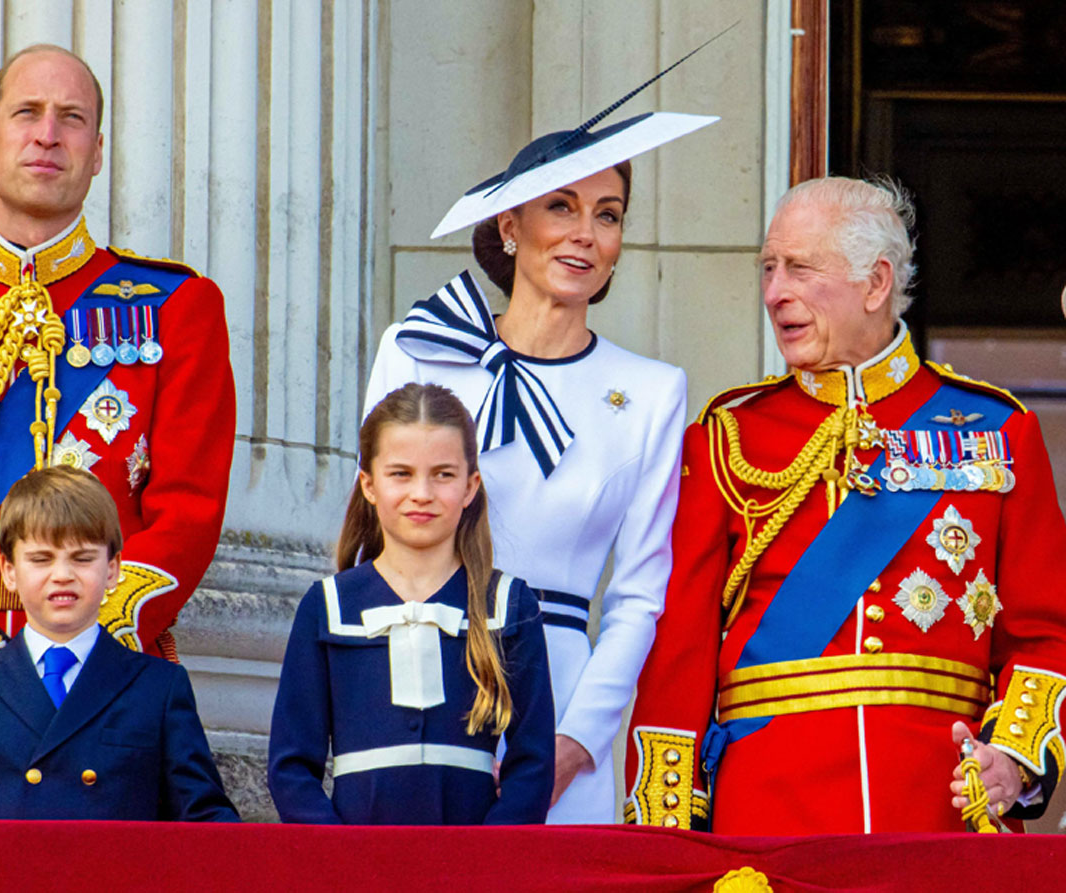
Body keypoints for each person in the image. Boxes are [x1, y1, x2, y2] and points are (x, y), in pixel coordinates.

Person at [626, 176, 1066, 834]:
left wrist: (1012, 755)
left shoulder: (997, 430)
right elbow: (679, 656)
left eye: (800, 267)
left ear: (876, 282)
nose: (775, 293)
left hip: (936, 810)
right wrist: (664, 835)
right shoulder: (729, 435)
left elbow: (1046, 632)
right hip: (766, 812)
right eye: (769, 269)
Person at [0, 44, 235, 808]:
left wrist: (82, 639)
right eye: (26, 113)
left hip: (110, 698)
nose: (47, 134)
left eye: (73, 119)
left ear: (97, 153)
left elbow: (190, 510)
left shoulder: (178, 308)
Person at [364, 108, 716, 822]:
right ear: (509, 225)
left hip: (559, 690)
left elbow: (641, 594)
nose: (586, 232)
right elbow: (373, 535)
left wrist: (574, 742)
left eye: (608, 214)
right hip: (416, 669)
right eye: (561, 206)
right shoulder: (418, 350)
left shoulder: (652, 391)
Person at [268, 383, 554, 824]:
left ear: (470, 486)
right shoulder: (327, 606)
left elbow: (532, 765)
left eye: (443, 474)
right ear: (368, 484)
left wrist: (490, 860)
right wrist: (339, 857)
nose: (422, 493)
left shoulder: (510, 606)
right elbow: (291, 767)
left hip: (474, 870)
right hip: (355, 869)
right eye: (400, 473)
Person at [0, 467, 239, 820]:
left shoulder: (158, 688)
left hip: (116, 875)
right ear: (9, 572)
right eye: (41, 559)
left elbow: (205, 822)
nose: (62, 575)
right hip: (1, 875)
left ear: (113, 568)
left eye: (83, 558)